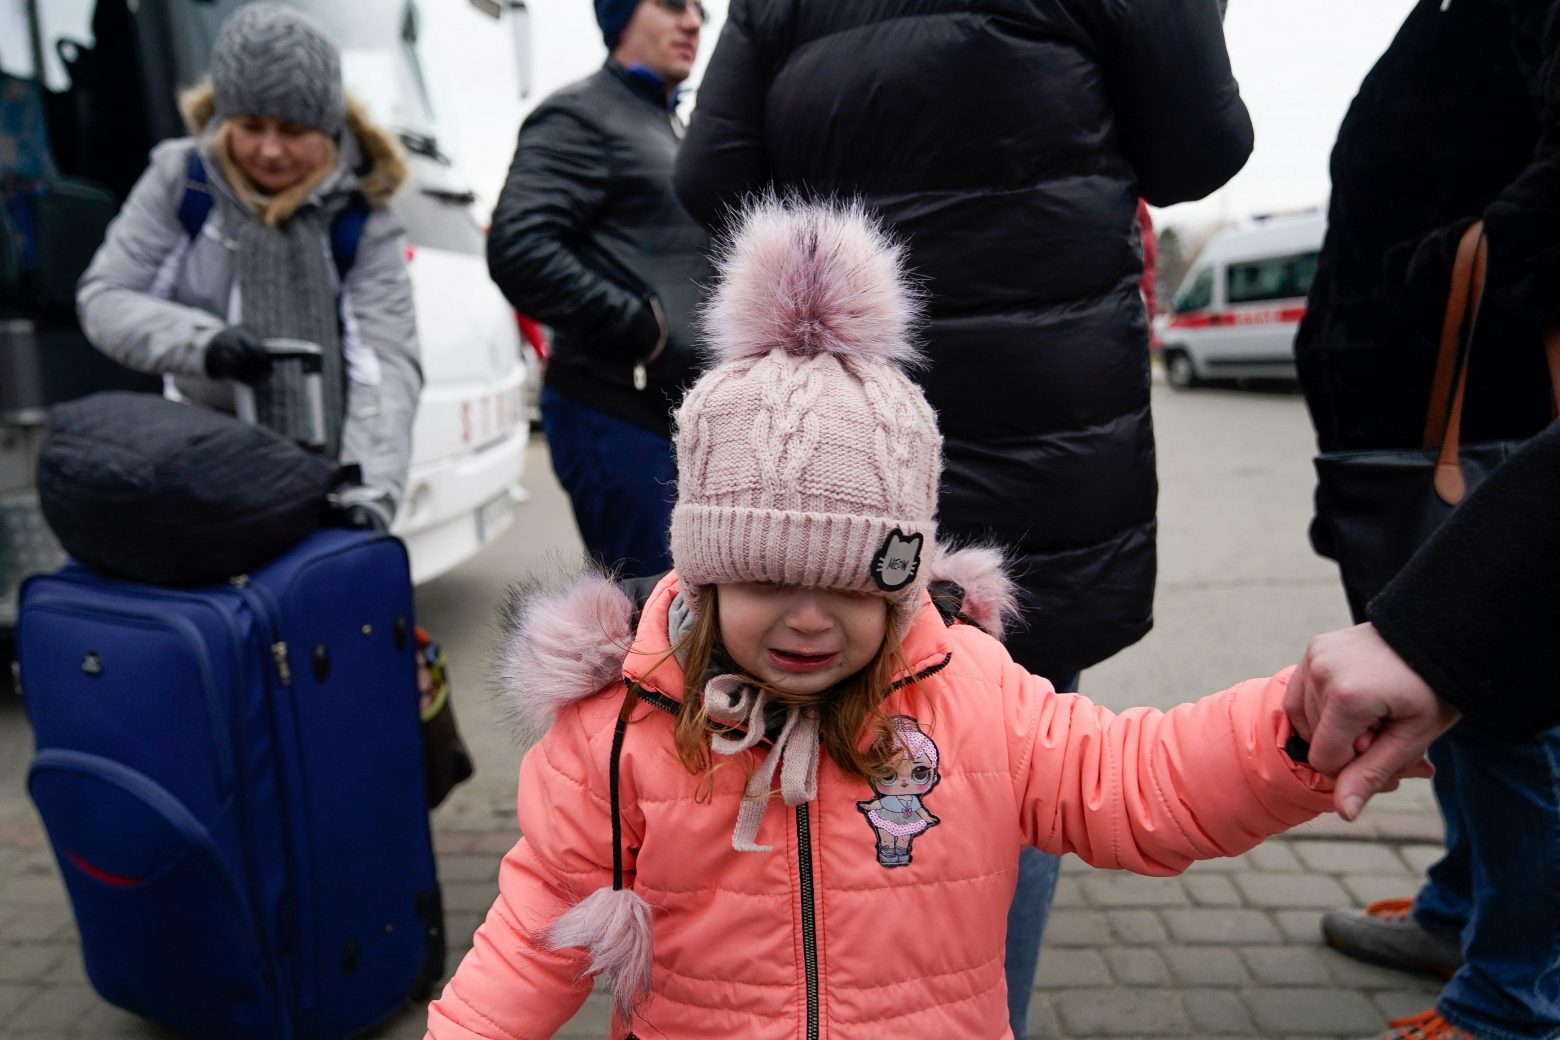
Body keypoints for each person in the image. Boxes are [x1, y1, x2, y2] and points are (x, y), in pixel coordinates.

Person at [422, 199, 1350, 1040]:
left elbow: (1139, 781)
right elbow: (535, 926)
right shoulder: (623, 723)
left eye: (856, 588)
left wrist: (1297, 729)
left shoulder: (972, 694)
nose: (810, 621)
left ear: (904, 583)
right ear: (704, 576)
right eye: (767, 581)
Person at [670, 2, 1251, 1032]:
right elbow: (1201, 144)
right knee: (1010, 747)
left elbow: (711, 175)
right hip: (1039, 409)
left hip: (843, 421)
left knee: (817, 697)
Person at [1292, 1, 1560, 1037]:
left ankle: (1511, 994)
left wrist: (1446, 266)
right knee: (1439, 693)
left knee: (1502, 721)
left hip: (1475, 419)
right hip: (1400, 422)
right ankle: (1461, 905)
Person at [76, 3, 421, 531]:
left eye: (292, 128)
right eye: (251, 125)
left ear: (327, 128)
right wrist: (203, 344)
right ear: (224, 119)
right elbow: (104, 296)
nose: (269, 149)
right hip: (199, 467)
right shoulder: (181, 181)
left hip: (323, 475)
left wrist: (368, 490)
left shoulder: (362, 218)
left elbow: (385, 364)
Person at [485, 0, 709, 581]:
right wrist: (643, 329)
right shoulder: (580, 115)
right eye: (672, 4)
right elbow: (520, 248)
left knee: (686, 615)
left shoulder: (666, 122)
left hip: (664, 414)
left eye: (700, 9)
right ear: (621, 17)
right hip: (611, 409)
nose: (694, 22)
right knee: (655, 621)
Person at [1286, 416, 1560, 810]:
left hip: (1480, 509)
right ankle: (1459, 871)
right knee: (1447, 740)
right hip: (1414, 502)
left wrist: (1434, 633)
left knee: (1508, 763)